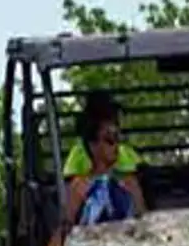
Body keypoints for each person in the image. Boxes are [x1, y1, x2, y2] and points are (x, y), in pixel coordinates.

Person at [62, 91, 146, 228]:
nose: (117, 145)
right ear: (92, 144)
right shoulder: (79, 187)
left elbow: (144, 223)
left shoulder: (130, 183)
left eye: (118, 138)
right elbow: (65, 229)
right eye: (110, 139)